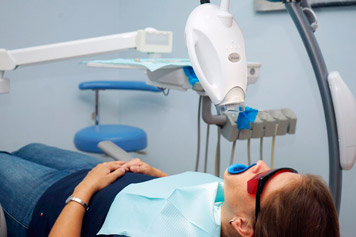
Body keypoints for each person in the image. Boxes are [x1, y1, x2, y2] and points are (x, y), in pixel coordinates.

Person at [0, 143, 339, 237]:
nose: (262, 164)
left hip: (52, 202)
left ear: (244, 226)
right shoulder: (232, 210)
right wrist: (158, 176)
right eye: (282, 169)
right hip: (104, 175)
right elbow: (191, 200)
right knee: (26, 147)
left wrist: (84, 189)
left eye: (262, 181)